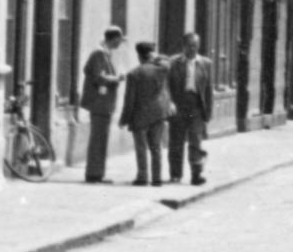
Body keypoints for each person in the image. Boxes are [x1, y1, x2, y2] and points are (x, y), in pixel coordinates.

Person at [119, 41, 173, 187]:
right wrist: (156, 57)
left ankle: (142, 177)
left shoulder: (133, 74)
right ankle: (157, 178)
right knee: (156, 147)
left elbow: (129, 100)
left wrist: (124, 119)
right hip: (158, 113)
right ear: (151, 54)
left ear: (139, 56)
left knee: (141, 148)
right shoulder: (162, 69)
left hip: (140, 115)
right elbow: (168, 61)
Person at [80, 25, 125, 184]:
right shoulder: (99, 53)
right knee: (98, 139)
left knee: (100, 139)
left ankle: (97, 173)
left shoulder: (104, 53)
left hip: (102, 104)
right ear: (113, 39)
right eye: (119, 40)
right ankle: (94, 174)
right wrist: (115, 79)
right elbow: (97, 76)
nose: (120, 44)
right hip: (99, 104)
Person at [167, 32, 213, 186]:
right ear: (184, 46)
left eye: (195, 45)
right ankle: (175, 174)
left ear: (198, 46)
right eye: (189, 45)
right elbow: (166, 86)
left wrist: (208, 112)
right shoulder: (174, 62)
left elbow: (208, 89)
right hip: (179, 105)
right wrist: (169, 103)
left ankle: (196, 174)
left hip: (196, 107)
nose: (192, 49)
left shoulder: (205, 63)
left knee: (195, 140)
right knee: (176, 140)